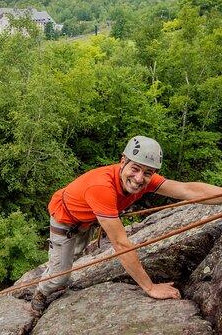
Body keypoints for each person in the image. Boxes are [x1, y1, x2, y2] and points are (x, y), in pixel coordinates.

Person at [31, 135, 222, 315]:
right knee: (60, 276)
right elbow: (121, 245)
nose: (139, 178)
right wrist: (149, 287)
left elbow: (187, 189)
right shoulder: (101, 187)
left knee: (73, 255)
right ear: (123, 161)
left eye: (148, 173)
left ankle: (57, 265)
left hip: (87, 219)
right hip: (65, 221)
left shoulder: (143, 178)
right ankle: (40, 293)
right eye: (135, 169)